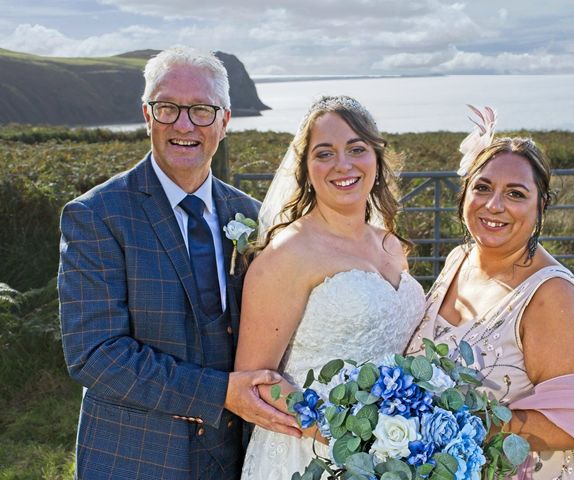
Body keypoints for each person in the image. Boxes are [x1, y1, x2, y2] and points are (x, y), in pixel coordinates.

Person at [58, 46, 300, 479]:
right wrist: (221, 392)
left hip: (238, 456)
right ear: (148, 116)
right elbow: (94, 354)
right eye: (168, 108)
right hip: (134, 458)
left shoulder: (253, 217)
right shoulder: (96, 215)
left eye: (202, 110)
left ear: (224, 121)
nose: (184, 125)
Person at [405, 107, 574, 479]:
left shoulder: (552, 297)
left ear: (540, 205)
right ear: (465, 191)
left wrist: (444, 427)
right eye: (482, 187)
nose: (494, 205)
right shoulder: (459, 259)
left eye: (515, 193)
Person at [235, 95, 427, 478]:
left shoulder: (390, 245)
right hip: (309, 456)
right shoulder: (288, 253)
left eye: (356, 149)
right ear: (306, 169)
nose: (343, 165)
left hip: (395, 456)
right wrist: (352, 439)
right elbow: (253, 383)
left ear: (376, 157)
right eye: (324, 153)